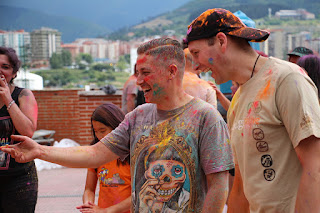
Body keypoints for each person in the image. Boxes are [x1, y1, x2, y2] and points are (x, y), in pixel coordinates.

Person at [1, 38, 234, 212]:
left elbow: (218, 186)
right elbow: (95, 153)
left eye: (145, 73)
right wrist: (40, 151)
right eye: (137, 73)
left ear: (171, 71)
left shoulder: (206, 118)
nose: (138, 81)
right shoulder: (138, 116)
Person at [185, 8, 320, 213]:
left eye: (196, 53)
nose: (195, 66)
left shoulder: (287, 79)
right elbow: (240, 187)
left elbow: (315, 165)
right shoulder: (238, 100)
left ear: (222, 41)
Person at [0, 47, 38, 212]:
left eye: (5, 66)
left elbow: (28, 132)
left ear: (14, 73)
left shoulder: (24, 95)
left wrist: (7, 98)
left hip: (19, 178)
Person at [76, 103, 131, 213]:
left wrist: (107, 211)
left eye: (102, 131)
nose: (99, 136)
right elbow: (89, 189)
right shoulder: (96, 155)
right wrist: (88, 204)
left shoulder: (131, 154)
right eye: (96, 131)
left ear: (117, 127)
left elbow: (138, 195)